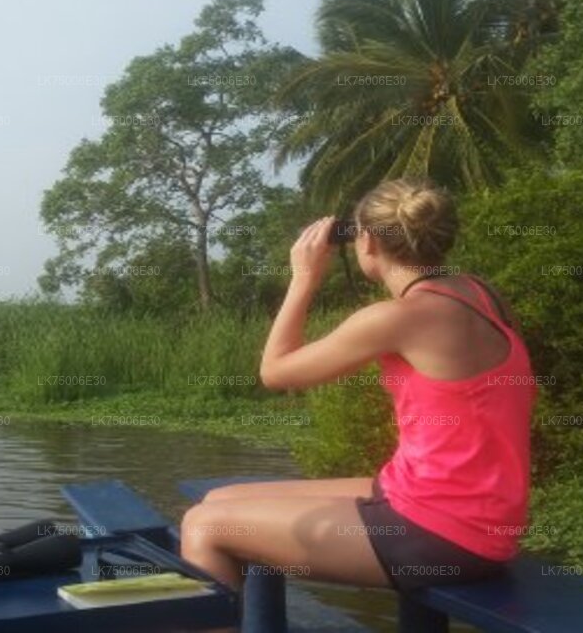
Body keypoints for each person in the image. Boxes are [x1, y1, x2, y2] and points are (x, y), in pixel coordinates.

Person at [180, 178, 536, 593]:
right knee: (220, 500)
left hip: (444, 536)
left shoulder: (399, 317)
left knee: (201, 526)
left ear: (366, 242)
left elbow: (275, 373)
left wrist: (303, 279)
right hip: (467, 514)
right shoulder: (480, 293)